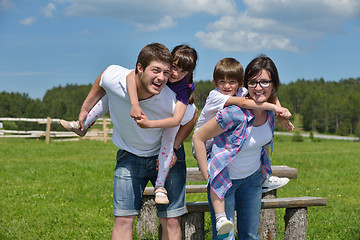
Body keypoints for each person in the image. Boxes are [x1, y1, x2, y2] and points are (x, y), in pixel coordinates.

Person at [75, 43, 197, 240]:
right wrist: (85, 108)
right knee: (122, 219)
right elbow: (103, 79)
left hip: (165, 159)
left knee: (172, 219)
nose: (165, 77)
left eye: (167, 72)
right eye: (157, 70)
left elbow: (191, 116)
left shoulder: (175, 99)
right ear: (140, 68)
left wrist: (174, 148)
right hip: (129, 156)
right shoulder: (120, 80)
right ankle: (84, 125)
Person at [192, 55, 289, 239]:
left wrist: (278, 109)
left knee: (250, 236)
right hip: (224, 180)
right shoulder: (233, 112)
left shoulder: (269, 112)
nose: (258, 87)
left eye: (264, 82)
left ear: (273, 84)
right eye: (253, 82)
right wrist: (207, 174)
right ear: (247, 83)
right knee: (224, 237)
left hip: (252, 180)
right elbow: (198, 136)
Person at [126, 44, 198, 204]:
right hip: (159, 120)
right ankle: (85, 120)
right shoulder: (159, 74)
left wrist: (149, 124)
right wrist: (135, 104)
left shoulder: (184, 88)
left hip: (172, 122)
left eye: (183, 71)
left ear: (189, 73)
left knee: (168, 146)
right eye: (173, 67)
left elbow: (177, 120)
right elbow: (131, 76)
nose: (175, 74)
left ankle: (160, 186)